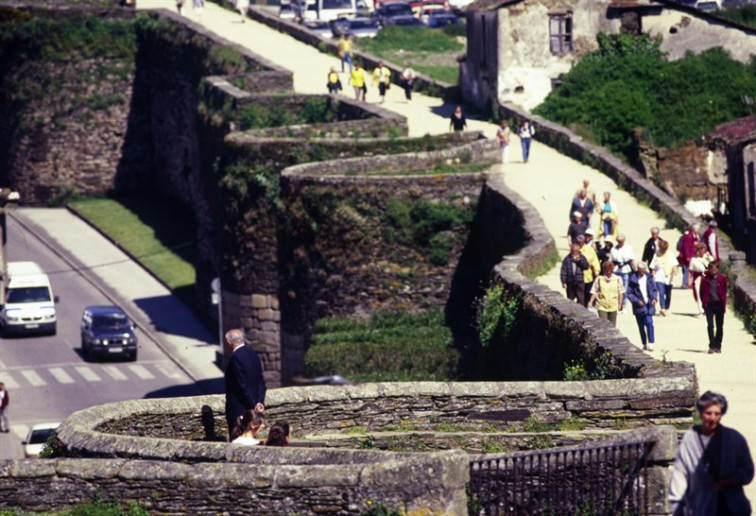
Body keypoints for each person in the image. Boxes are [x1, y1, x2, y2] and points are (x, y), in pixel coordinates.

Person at [669, 391, 754, 516]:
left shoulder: (735, 438)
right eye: (708, 413)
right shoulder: (690, 439)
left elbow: (748, 470)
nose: (713, 418)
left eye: (717, 413)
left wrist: (730, 481)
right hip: (701, 507)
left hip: (732, 507)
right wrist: (677, 506)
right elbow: (680, 473)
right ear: (701, 413)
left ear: (721, 415)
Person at [224, 328, 266, 439]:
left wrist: (252, 404)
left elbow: (241, 385)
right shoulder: (254, 355)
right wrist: (259, 402)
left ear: (229, 342)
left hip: (239, 409)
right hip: (254, 410)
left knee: (238, 442)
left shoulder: (235, 358)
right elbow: (261, 382)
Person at [625, 262, 659, 351]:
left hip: (649, 305)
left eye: (644, 270)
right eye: (641, 271)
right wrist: (637, 301)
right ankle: (644, 343)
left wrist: (654, 298)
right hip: (639, 306)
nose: (642, 273)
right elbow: (629, 293)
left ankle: (651, 342)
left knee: (649, 322)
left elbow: (654, 289)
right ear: (638, 270)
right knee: (641, 326)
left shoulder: (649, 278)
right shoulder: (633, 279)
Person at [700, 261, 727, 354]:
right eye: (711, 269)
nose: (713, 270)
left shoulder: (722, 278)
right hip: (709, 305)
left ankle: (718, 345)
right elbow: (702, 293)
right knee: (710, 325)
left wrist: (724, 303)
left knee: (720, 327)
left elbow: (724, 290)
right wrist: (704, 305)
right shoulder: (704, 280)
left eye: (715, 268)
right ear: (709, 269)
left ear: (718, 269)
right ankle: (712, 345)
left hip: (719, 304)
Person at [589, 260, 624, 326]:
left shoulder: (617, 279)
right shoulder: (599, 279)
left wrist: (620, 303)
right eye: (606, 271)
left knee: (612, 325)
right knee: (603, 325)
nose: (608, 272)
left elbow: (620, 292)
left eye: (610, 271)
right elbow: (594, 291)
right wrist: (590, 302)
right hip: (601, 305)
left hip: (613, 305)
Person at [609, 233, 635, 313]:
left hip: (625, 270)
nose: (620, 243)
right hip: (616, 270)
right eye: (618, 241)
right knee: (616, 289)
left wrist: (635, 270)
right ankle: (617, 306)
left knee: (625, 289)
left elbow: (632, 259)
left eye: (621, 241)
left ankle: (624, 306)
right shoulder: (613, 249)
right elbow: (611, 261)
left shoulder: (628, 248)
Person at [650, 239, 677, 316]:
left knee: (668, 294)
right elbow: (653, 267)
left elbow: (674, 265)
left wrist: (675, 271)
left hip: (668, 277)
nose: (663, 250)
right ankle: (662, 308)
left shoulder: (670, 255)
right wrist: (653, 276)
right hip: (659, 277)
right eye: (662, 249)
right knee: (661, 293)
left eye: (665, 249)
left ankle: (667, 307)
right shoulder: (656, 255)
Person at [689, 242, 715, 316]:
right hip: (698, 279)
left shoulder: (708, 258)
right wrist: (689, 281)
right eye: (701, 250)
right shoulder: (693, 259)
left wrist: (709, 257)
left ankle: (707, 309)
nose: (703, 251)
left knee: (707, 295)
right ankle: (701, 310)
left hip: (707, 278)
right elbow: (690, 271)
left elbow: (714, 265)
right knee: (697, 294)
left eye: (704, 250)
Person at [577, 234, 601, 307]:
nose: (580, 243)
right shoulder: (575, 249)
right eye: (578, 242)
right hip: (577, 277)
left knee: (588, 293)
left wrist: (597, 271)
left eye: (581, 242)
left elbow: (595, 261)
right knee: (580, 295)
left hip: (588, 277)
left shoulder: (589, 250)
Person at [678, 224, 700, 288]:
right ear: (694, 230)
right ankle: (685, 283)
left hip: (693, 255)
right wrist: (687, 256)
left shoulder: (695, 236)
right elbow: (686, 247)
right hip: (688, 256)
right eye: (698, 229)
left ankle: (689, 283)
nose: (699, 231)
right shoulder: (689, 236)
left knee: (690, 270)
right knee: (687, 270)